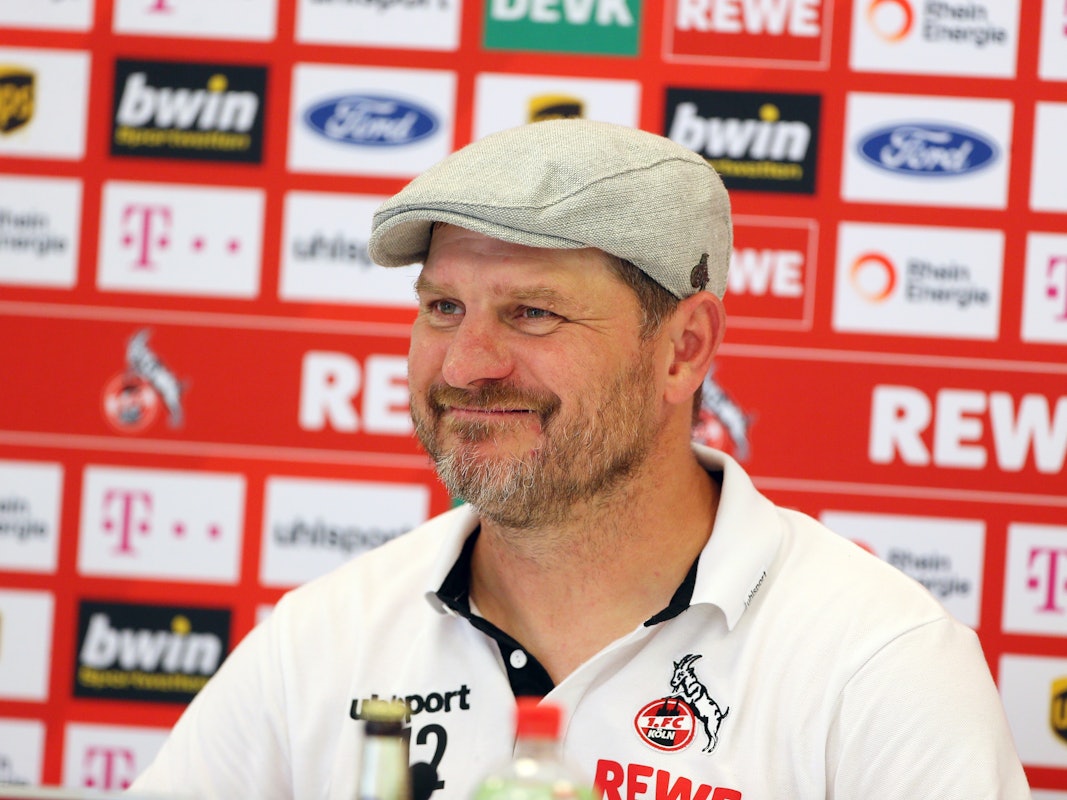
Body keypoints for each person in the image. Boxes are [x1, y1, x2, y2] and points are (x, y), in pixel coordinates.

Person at [130, 119, 1030, 799]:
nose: (464, 365)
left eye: (531, 313)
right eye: (443, 307)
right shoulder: (320, 641)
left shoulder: (876, 664)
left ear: (683, 348)